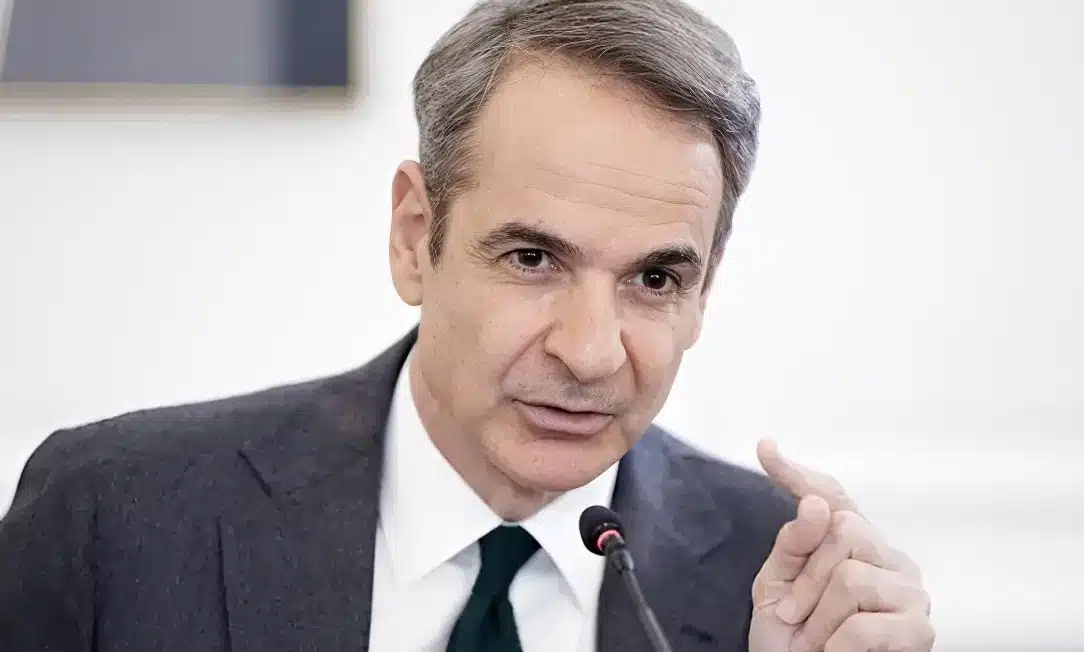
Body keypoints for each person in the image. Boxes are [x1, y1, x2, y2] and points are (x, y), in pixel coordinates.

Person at [0, 1, 935, 651]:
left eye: (655, 278)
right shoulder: (112, 518)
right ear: (417, 238)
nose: (590, 352)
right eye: (533, 259)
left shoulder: (786, 580)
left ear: (705, 290)